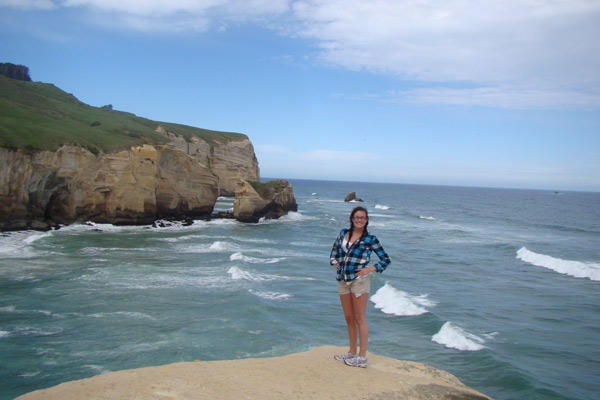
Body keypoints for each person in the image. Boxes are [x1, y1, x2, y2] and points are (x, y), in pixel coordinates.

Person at [330, 206, 391, 368]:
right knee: (349, 318)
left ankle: (362, 357)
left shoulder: (370, 239)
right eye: (357, 217)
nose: (359, 220)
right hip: (342, 280)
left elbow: (385, 260)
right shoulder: (344, 233)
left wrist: (370, 269)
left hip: (359, 281)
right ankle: (351, 352)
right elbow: (334, 251)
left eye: (363, 218)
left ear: (366, 220)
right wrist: (335, 262)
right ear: (352, 219)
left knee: (360, 318)